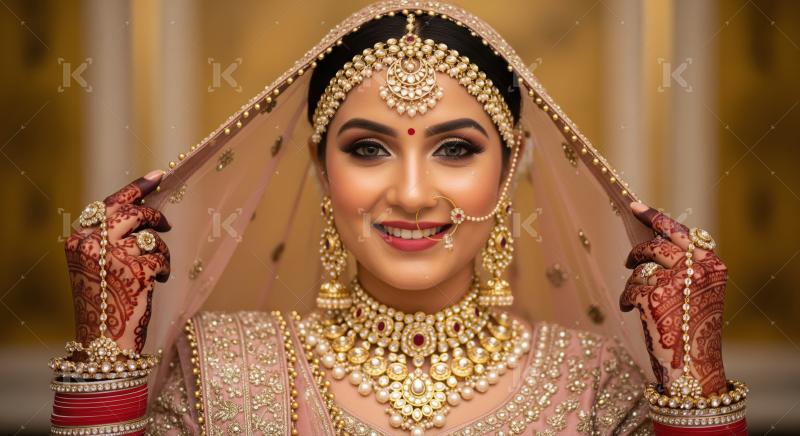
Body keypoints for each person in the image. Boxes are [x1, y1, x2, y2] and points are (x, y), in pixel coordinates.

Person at [49, 1, 748, 435]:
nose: (412, 194)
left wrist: (695, 382)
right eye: (368, 149)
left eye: (454, 149)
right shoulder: (223, 370)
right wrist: (106, 354)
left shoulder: (592, 384)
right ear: (322, 168)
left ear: (510, 166)